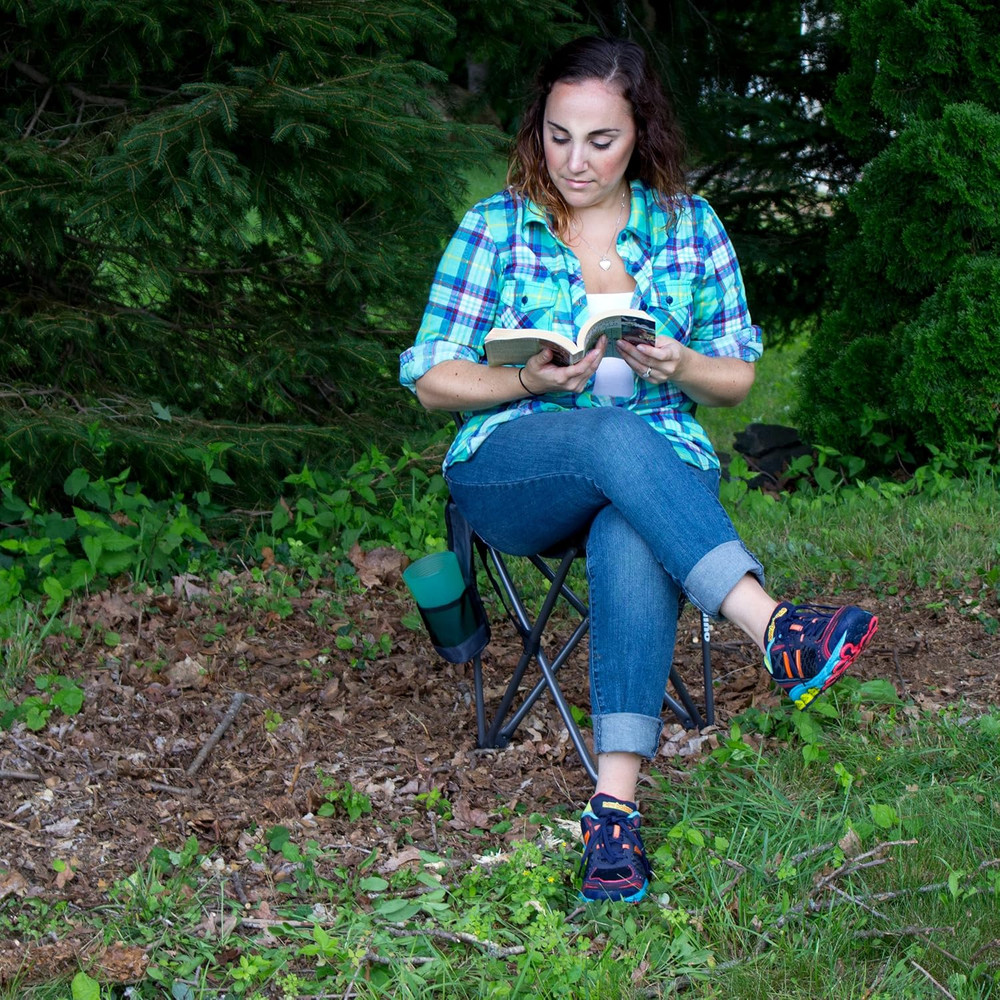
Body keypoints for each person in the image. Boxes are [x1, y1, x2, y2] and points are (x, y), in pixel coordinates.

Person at [399, 35, 878, 903]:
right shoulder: (495, 225)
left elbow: (734, 378)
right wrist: (523, 379)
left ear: (641, 134)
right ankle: (773, 627)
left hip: (658, 471)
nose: (574, 161)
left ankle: (610, 816)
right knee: (609, 435)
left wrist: (679, 366)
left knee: (630, 519)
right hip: (519, 469)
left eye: (600, 141)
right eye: (557, 135)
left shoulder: (690, 225)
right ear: (536, 128)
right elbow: (431, 379)